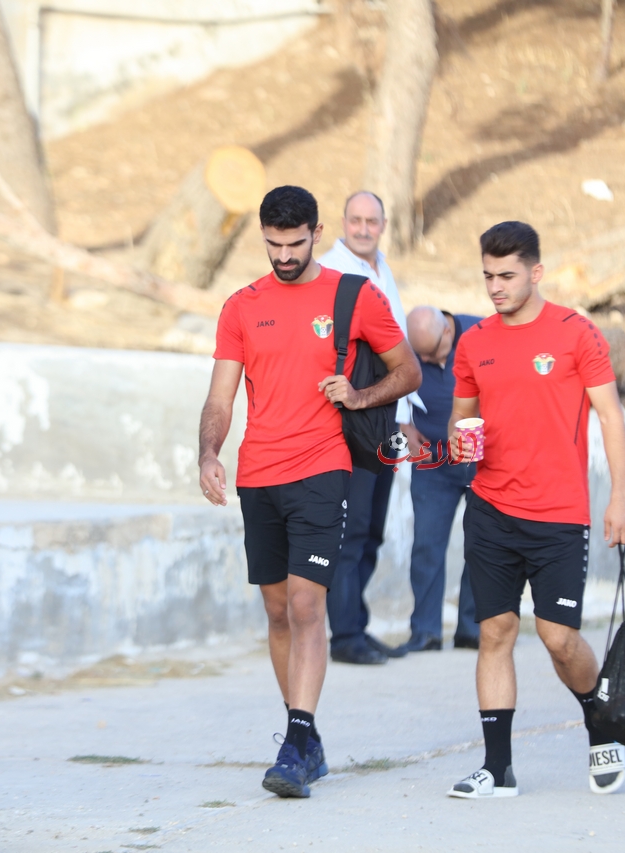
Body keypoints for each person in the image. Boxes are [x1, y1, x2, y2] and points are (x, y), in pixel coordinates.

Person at [198, 185, 420, 798]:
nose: (284, 256)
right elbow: (220, 397)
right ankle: (307, 736)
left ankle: (295, 743)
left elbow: (408, 370)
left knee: (304, 606)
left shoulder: (355, 295)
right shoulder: (241, 307)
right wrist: (209, 452)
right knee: (276, 610)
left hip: (323, 468)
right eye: (273, 244)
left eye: (295, 244)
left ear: (317, 233)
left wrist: (360, 396)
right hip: (258, 475)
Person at [445, 221, 625, 800]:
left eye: (506, 276)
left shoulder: (576, 333)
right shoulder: (474, 341)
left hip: (558, 514)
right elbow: (461, 417)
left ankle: (600, 718)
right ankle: (497, 768)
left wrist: (620, 497)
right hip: (491, 509)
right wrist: (458, 440)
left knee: (557, 638)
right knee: (495, 632)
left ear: (536, 272)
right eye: (488, 276)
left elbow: (610, 416)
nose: (495, 287)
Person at [318, 190, 419, 663]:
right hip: (349, 422)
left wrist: (405, 419)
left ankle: (355, 623)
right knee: (351, 530)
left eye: (371, 221)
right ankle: (344, 637)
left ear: (383, 225)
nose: (363, 229)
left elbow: (399, 355)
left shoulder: (383, 271)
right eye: (355, 220)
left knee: (374, 529)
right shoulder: (330, 272)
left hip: (385, 418)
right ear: (343, 222)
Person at [400, 306, 482, 651]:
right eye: (418, 353)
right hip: (432, 461)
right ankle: (426, 631)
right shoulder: (409, 346)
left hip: (481, 460)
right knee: (427, 546)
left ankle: (472, 629)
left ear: (447, 332)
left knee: (481, 545)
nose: (424, 360)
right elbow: (389, 382)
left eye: (431, 353)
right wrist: (403, 424)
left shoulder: (482, 334)